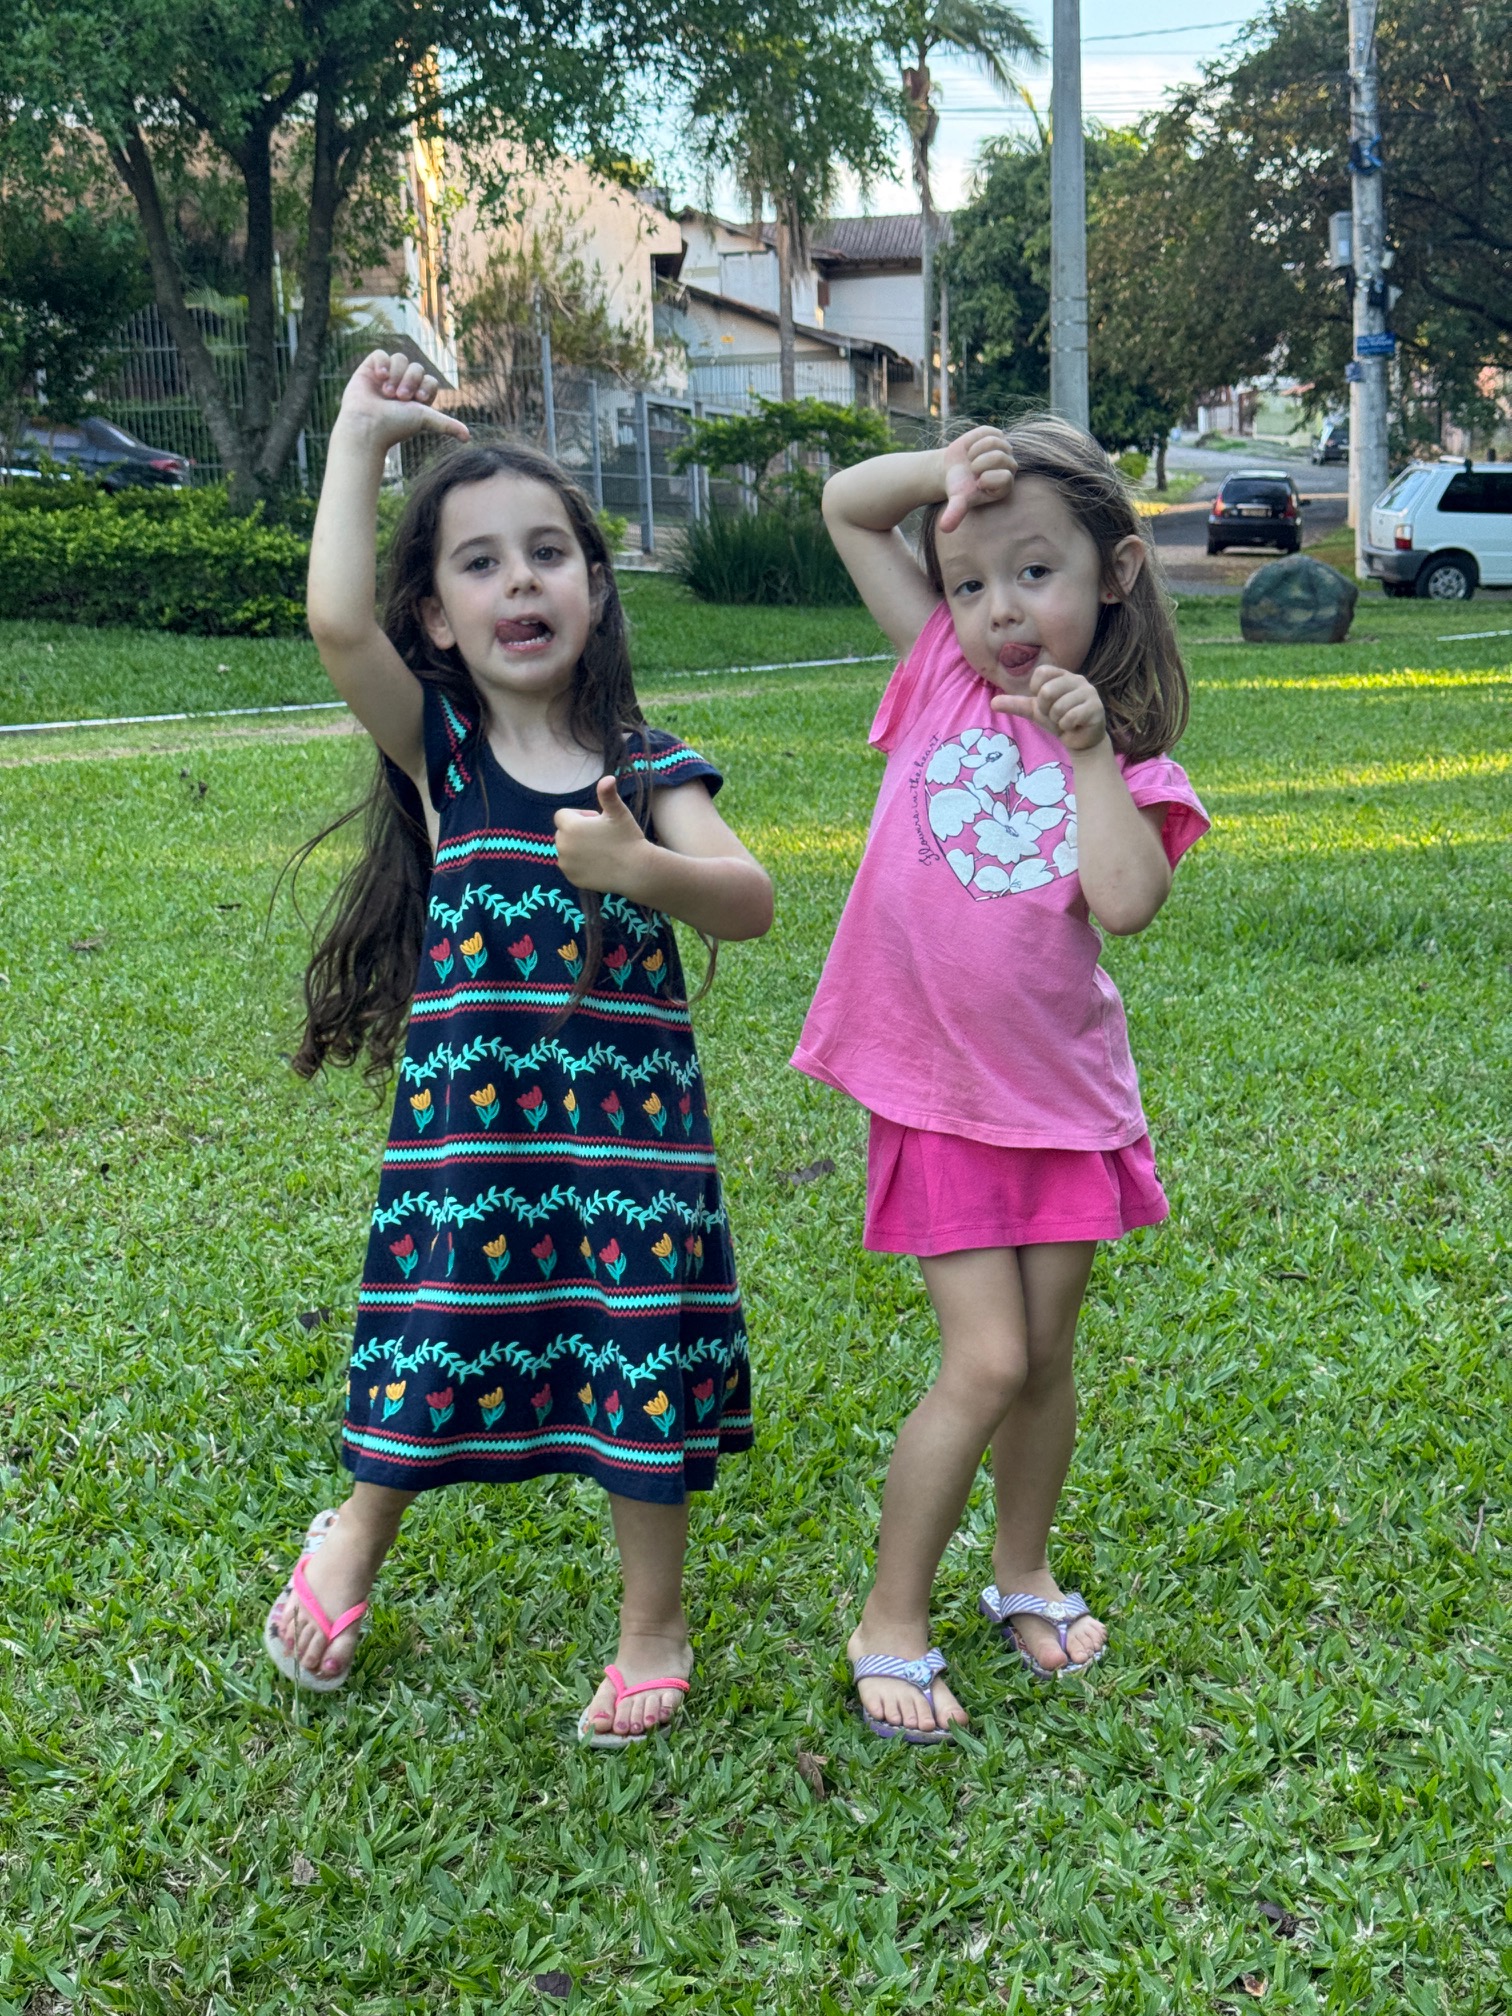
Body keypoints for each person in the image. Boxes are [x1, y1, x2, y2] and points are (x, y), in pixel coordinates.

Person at [263, 351, 772, 1744]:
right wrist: (357, 437)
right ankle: (351, 1543)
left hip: (633, 1156)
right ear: (438, 615)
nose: (520, 582)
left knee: (636, 1367)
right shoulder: (445, 756)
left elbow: (750, 899)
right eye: (480, 564)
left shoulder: (647, 765)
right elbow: (333, 621)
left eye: (548, 553)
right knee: (432, 1342)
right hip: (473, 1149)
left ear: (594, 586)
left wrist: (638, 867)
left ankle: (652, 1626)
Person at [795, 420, 1208, 1742]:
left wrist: (1088, 755)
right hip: (937, 1096)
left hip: (1062, 1107)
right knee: (985, 1360)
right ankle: (890, 1620)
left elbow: (1126, 901)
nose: (999, 611)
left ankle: (1021, 1572)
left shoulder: (1134, 766)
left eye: (1035, 573)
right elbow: (847, 506)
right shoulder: (938, 676)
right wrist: (943, 479)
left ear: (1115, 574)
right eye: (969, 583)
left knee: (1045, 1366)